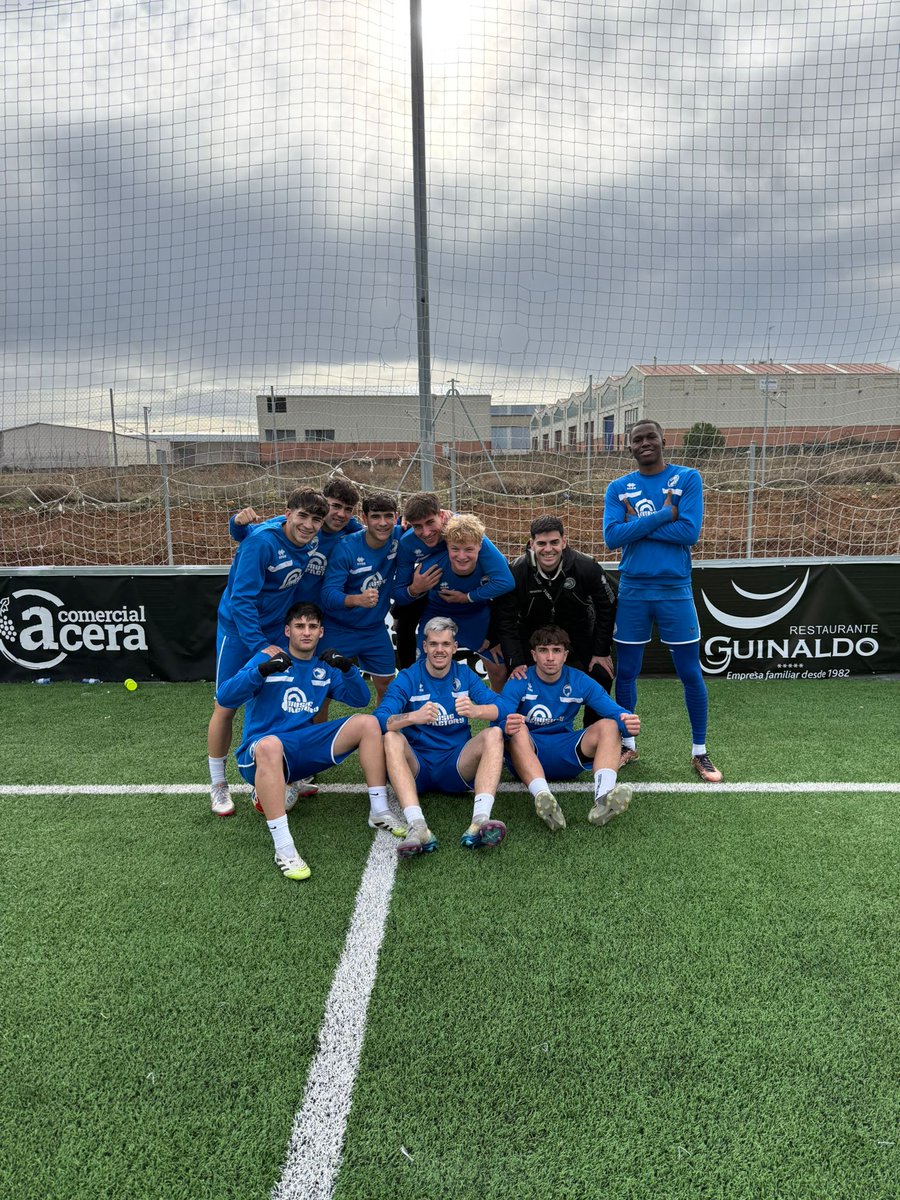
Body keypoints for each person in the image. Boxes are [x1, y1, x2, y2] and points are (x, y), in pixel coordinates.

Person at [216, 603, 406, 881]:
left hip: (300, 750)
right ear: (287, 631)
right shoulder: (266, 658)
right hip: (259, 753)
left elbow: (360, 699)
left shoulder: (323, 668)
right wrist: (261, 671)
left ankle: (379, 810)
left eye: (312, 627)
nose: (306, 632)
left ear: (321, 632)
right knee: (270, 745)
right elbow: (225, 696)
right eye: (299, 626)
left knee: (367, 723)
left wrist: (347, 668)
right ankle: (284, 848)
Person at [603, 419, 722, 782]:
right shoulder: (618, 487)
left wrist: (637, 526)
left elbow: (689, 531)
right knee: (626, 672)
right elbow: (612, 537)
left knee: (690, 673)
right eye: (637, 439)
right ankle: (627, 744)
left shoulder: (688, 478)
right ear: (629, 447)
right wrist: (665, 514)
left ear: (663, 440)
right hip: (633, 591)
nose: (644, 443)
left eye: (650, 437)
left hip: (675, 590)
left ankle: (700, 752)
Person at [208, 488, 329, 817]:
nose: (308, 525)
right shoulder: (262, 543)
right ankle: (218, 784)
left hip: (276, 629)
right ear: (288, 514)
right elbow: (242, 600)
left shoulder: (311, 538)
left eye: (316, 520)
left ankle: (288, 771)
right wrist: (258, 645)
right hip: (239, 633)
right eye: (302, 516)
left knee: (282, 697)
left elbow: (243, 529)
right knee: (226, 704)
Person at [372, 616, 507, 858]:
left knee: (494, 733)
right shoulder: (408, 677)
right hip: (418, 767)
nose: (439, 650)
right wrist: (413, 717)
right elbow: (380, 719)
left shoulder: (464, 675)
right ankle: (418, 827)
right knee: (391, 738)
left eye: (445, 644)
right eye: (433, 644)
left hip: (456, 765)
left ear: (455, 648)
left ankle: (479, 822)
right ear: (424, 646)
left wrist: (476, 711)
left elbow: (503, 708)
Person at [493, 514, 624, 744]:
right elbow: (505, 619)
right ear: (531, 544)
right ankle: (519, 737)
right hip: (533, 635)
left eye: (554, 542)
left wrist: (600, 651)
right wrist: (516, 661)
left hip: (578, 632)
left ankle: (592, 737)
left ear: (564, 542)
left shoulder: (586, 566)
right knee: (518, 678)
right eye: (541, 543)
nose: (548, 549)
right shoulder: (517, 571)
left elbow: (607, 606)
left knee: (601, 672)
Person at [496, 626, 640, 830]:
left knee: (609, 725)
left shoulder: (579, 680)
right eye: (543, 650)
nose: (550, 657)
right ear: (534, 655)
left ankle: (603, 800)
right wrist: (506, 726)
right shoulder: (519, 680)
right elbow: (497, 722)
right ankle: (543, 797)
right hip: (528, 755)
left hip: (567, 754)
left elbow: (615, 712)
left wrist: (627, 722)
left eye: (556, 650)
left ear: (565, 655)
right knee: (516, 726)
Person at [392, 495, 513, 681]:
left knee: (499, 666)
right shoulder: (411, 546)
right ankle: (408, 683)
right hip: (435, 605)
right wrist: (415, 589)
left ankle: (498, 702)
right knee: (409, 631)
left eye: (430, 523)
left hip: (473, 609)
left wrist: (468, 597)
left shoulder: (466, 531)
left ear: (442, 516)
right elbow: (400, 593)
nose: (426, 532)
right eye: (418, 526)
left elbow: (505, 581)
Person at [320, 491, 401, 704]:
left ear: (396, 517)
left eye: (388, 516)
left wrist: (447, 514)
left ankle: (382, 726)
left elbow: (431, 527)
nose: (382, 523)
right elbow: (328, 595)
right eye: (375, 517)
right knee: (322, 689)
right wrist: (357, 600)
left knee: (388, 685)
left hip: (373, 629)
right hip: (338, 628)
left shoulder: (400, 536)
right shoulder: (345, 547)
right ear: (364, 519)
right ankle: (320, 728)